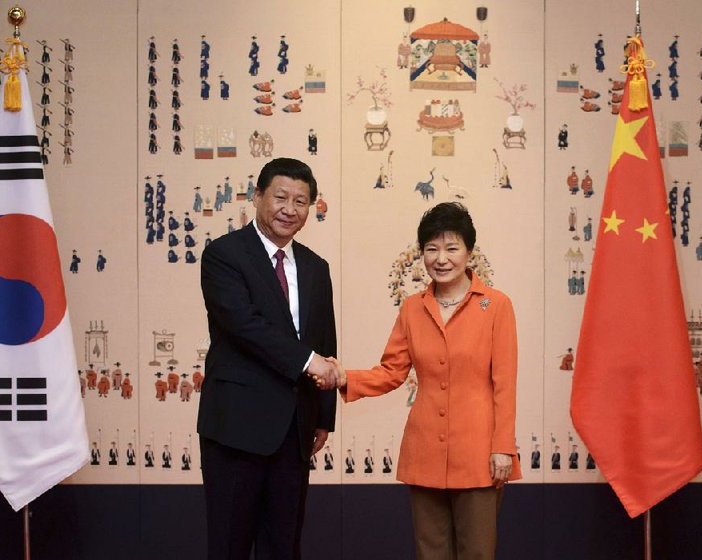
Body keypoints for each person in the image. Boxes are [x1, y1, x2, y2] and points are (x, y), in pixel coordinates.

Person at [330, 202, 520, 560]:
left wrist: (503, 447)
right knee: (429, 553)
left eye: (452, 247)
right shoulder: (412, 309)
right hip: (425, 451)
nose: (441, 258)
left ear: (468, 252)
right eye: (432, 249)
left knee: (478, 552)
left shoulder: (496, 306)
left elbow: (504, 383)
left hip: (480, 453)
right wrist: (344, 378)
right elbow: (391, 371)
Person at [198, 157, 339, 559]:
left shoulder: (315, 267)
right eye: (280, 197)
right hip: (235, 428)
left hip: (294, 430)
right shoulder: (224, 255)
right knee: (230, 545)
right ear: (257, 196)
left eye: (301, 201)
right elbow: (244, 325)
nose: (289, 209)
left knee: (283, 546)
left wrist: (323, 417)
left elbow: (324, 342)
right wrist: (307, 362)